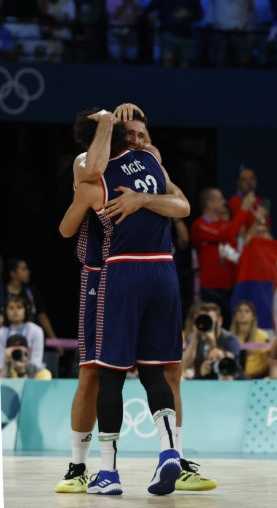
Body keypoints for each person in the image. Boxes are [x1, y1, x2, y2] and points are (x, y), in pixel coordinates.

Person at [57, 108, 188, 495]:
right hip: (141, 272)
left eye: (142, 134)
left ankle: (116, 469)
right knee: (107, 374)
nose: (137, 140)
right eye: (129, 134)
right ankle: (81, 465)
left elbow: (65, 230)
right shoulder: (91, 165)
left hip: (122, 271)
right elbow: (97, 161)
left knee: (113, 371)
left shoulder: (140, 159)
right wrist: (107, 121)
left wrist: (142, 200)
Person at [191, 186, 257, 326]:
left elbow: (233, 241)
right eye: (220, 199)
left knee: (232, 327)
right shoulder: (200, 226)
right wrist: (243, 209)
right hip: (211, 290)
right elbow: (225, 234)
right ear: (209, 203)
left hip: (232, 287)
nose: (224, 202)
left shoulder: (224, 225)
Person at [181, 302, 242, 379]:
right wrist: (195, 337)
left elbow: (226, 365)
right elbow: (185, 365)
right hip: (203, 380)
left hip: (228, 382)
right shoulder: (193, 337)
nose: (205, 323)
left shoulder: (229, 339)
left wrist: (212, 344)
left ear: (219, 321)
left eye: (208, 319)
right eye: (202, 319)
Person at [0, 294, 45, 371]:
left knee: (46, 374)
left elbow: (36, 362)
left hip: (31, 372)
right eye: (11, 308)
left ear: (25, 310)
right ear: (5, 312)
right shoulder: (1, 332)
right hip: (7, 372)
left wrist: (24, 366)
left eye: (19, 307)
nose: (15, 311)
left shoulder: (36, 330)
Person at [230, 299, 270, 379]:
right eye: (239, 311)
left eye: (247, 311)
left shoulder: (262, 335)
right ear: (235, 316)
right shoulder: (229, 337)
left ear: (253, 316)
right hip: (234, 379)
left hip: (257, 379)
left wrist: (250, 376)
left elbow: (267, 363)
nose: (242, 314)